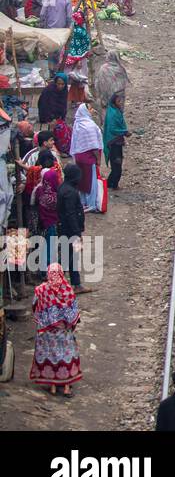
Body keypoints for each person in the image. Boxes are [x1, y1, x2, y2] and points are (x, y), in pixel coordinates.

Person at [30, 263, 81, 397]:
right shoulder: (68, 290)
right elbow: (73, 313)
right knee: (65, 355)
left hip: (46, 334)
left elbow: (35, 307)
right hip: (63, 333)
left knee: (51, 355)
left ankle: (52, 387)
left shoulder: (41, 290)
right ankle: (66, 388)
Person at [56, 161, 87, 291]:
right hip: (71, 230)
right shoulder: (70, 192)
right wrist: (77, 233)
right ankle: (59, 285)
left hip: (66, 228)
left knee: (70, 256)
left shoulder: (64, 188)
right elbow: (71, 214)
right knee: (68, 257)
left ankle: (75, 283)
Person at [69, 104, 104, 212]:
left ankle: (83, 202)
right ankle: (91, 204)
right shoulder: (89, 126)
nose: (92, 110)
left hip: (79, 156)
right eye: (90, 108)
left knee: (82, 181)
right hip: (88, 158)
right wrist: (98, 159)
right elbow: (93, 146)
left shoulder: (78, 123)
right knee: (91, 182)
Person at [103, 92, 129, 190]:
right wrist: (124, 132)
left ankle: (110, 183)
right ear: (114, 102)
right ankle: (114, 185)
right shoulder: (113, 114)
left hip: (117, 142)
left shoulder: (115, 111)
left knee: (116, 164)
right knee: (117, 164)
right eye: (118, 101)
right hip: (113, 143)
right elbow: (113, 129)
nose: (121, 103)